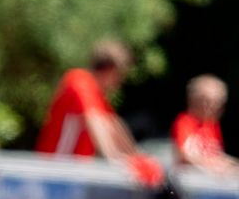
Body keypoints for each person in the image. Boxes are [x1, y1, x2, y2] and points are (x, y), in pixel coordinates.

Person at [35, 40, 162, 186]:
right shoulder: (79, 80)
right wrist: (116, 163)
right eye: (119, 75)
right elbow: (95, 123)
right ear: (110, 70)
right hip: (55, 173)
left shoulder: (97, 96)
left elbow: (113, 125)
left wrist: (138, 158)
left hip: (71, 176)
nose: (119, 83)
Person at [172, 75, 239, 179]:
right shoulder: (185, 122)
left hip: (210, 181)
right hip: (192, 182)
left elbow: (217, 156)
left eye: (219, 103)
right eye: (209, 102)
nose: (215, 107)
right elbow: (185, 156)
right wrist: (217, 166)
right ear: (194, 100)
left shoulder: (211, 125)